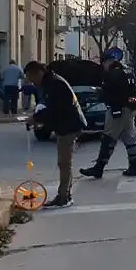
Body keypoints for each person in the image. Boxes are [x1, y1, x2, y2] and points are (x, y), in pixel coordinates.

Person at [23, 61, 86, 208]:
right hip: (67, 124)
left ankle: (64, 197)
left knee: (64, 163)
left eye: (32, 78)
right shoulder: (51, 82)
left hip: (69, 126)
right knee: (64, 162)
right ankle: (64, 195)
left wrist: (36, 119)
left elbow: (53, 108)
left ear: (38, 72)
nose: (32, 82)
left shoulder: (54, 84)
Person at [80, 52, 136, 179]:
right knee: (130, 137)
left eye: (104, 64)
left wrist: (100, 94)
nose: (103, 66)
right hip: (129, 109)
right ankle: (133, 166)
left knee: (108, 138)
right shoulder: (128, 72)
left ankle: (99, 168)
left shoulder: (111, 75)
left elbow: (107, 93)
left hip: (117, 109)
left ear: (108, 62)